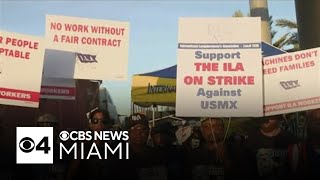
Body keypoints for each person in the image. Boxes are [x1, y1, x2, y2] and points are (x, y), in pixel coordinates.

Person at [183, 117, 249, 180]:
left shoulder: (238, 151)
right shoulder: (193, 154)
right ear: (202, 130)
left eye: (217, 126)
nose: (213, 130)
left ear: (223, 129)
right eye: (207, 126)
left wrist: (226, 160)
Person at [66, 107, 116, 180]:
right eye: (95, 121)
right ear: (90, 125)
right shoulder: (82, 147)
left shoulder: (112, 148)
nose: (99, 124)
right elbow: (71, 173)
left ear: (107, 125)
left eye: (103, 121)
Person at [245, 115, 298, 180]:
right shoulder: (251, 138)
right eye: (262, 116)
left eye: (270, 116)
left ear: (279, 117)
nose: (266, 120)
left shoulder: (289, 138)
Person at [123, 113, 168, 180]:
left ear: (148, 132)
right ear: (127, 133)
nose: (138, 133)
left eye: (142, 129)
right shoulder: (119, 157)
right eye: (134, 129)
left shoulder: (157, 156)